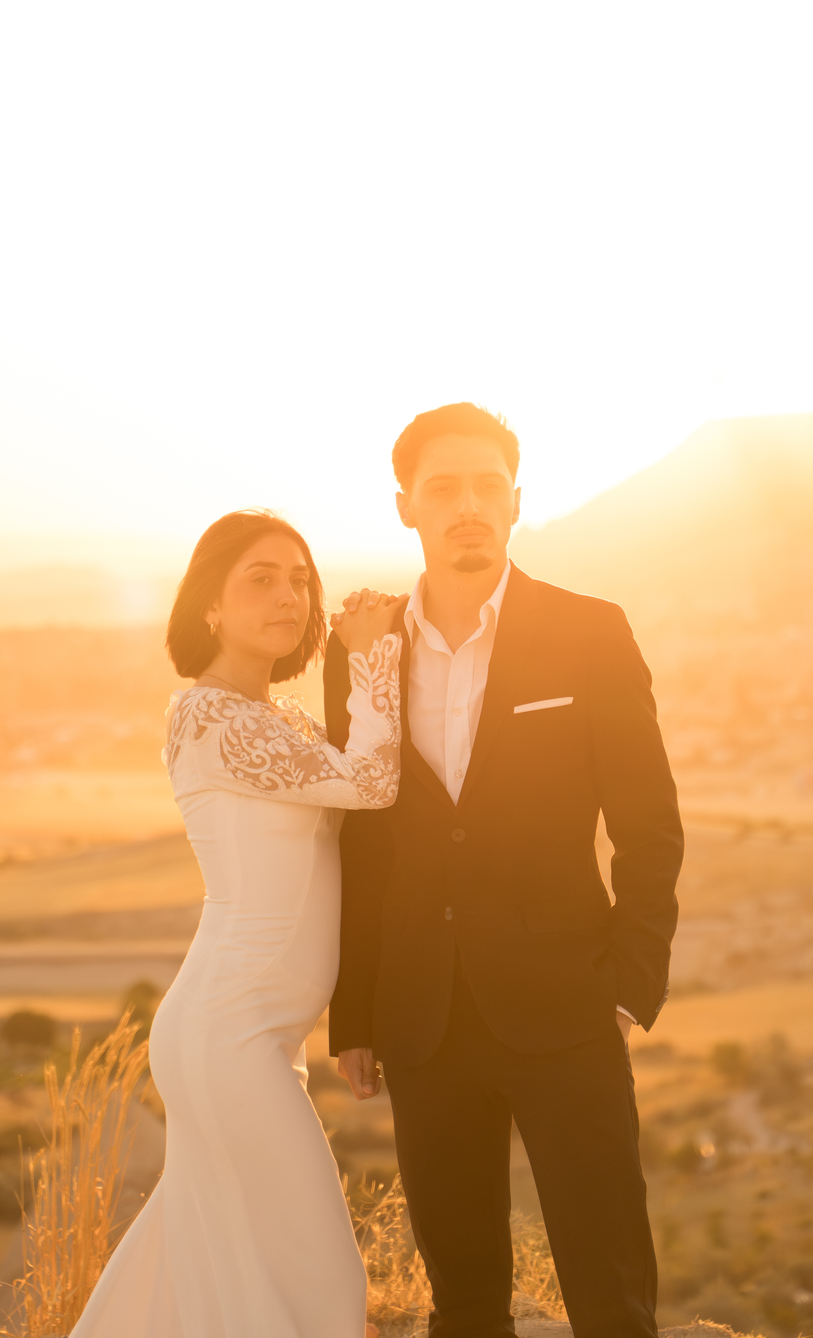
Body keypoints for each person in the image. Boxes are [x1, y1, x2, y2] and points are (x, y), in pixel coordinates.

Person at [325, 404, 684, 1338]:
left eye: (488, 486)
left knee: (611, 1294)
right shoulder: (361, 650)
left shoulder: (590, 631)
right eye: (443, 487)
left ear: (517, 501)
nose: (468, 506)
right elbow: (361, 840)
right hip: (422, 1021)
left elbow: (648, 824)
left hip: (568, 1008)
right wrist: (356, 1011)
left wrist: (629, 984)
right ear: (405, 506)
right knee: (465, 1302)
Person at [72, 509, 402, 1338]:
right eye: (261, 578)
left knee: (197, 1267)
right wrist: (374, 655)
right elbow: (371, 783)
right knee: (322, 1281)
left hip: (255, 1032)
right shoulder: (211, 719)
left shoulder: (282, 720)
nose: (288, 595)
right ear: (210, 606)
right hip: (229, 1032)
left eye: (300, 579)